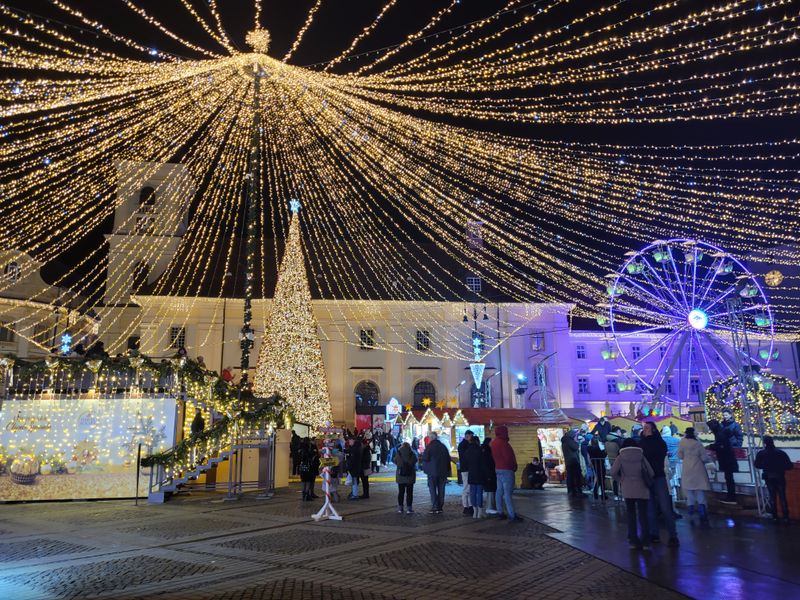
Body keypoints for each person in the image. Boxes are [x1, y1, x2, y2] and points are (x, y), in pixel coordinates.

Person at [639, 421, 679, 547]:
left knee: (659, 506)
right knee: (657, 506)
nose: (644, 430)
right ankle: (661, 534)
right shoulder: (658, 443)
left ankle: (667, 534)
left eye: (646, 428)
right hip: (655, 476)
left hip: (654, 476)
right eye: (644, 428)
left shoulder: (646, 443)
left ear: (653, 430)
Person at [611, 438, 655, 550]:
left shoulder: (620, 456)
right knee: (643, 515)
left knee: (631, 515)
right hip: (642, 487)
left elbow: (613, 472)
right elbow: (651, 472)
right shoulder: (641, 455)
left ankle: (633, 541)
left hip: (628, 487)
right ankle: (646, 542)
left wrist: (620, 479)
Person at [755, 435, 794, 522]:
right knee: (782, 496)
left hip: (768, 476)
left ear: (765, 443)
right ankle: (785, 516)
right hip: (779, 476)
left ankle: (774, 516)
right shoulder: (780, 453)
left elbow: (757, 465)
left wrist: (765, 466)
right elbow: (789, 466)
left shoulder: (761, 453)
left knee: (772, 496)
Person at [678, 427, 711, 524]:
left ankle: (691, 510)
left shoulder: (682, 442)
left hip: (687, 467)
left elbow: (680, 455)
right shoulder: (698, 443)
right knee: (699, 490)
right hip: (698, 467)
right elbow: (704, 457)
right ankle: (702, 511)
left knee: (689, 490)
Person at [491, 426, 522, 522]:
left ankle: (500, 512)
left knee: (499, 491)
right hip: (507, 469)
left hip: (498, 468)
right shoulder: (504, 443)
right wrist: (513, 466)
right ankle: (512, 514)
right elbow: (508, 457)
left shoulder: (494, 443)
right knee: (508, 493)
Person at [707, 418, 739, 503]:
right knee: (729, 478)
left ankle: (731, 497)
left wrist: (711, 446)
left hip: (726, 459)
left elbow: (721, 446)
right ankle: (731, 496)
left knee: (729, 478)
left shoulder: (720, 434)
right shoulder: (722, 432)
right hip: (728, 458)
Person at [421, 431, 450, 514]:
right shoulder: (443, 446)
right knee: (441, 489)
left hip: (432, 472)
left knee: (433, 489)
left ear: (431, 438)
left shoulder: (429, 447)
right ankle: (440, 506)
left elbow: (425, 458)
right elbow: (448, 458)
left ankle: (435, 506)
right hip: (443, 472)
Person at [462, 436, 488, 518]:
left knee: (472, 493)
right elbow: (484, 463)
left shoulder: (467, 451)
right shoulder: (480, 450)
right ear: (477, 441)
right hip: (480, 474)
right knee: (479, 493)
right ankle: (480, 512)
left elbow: (466, 463)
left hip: (471, 474)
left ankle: (475, 512)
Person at [393, 441, 417, 513]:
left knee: (401, 492)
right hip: (410, 476)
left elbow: (395, 461)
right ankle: (409, 508)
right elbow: (415, 461)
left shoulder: (398, 453)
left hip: (401, 476)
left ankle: (400, 508)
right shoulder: (412, 453)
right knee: (409, 493)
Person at [561, 428, 584, 497]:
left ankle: (571, 490)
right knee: (576, 476)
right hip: (573, 461)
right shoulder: (569, 441)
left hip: (568, 461)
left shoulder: (565, 441)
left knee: (570, 476)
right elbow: (575, 447)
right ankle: (577, 491)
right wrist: (578, 442)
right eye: (575, 436)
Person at [458, 430, 475, 515]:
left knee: (467, 487)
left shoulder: (463, 444)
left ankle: (468, 505)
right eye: (471, 436)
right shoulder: (464, 445)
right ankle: (466, 506)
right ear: (467, 435)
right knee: (466, 488)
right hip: (466, 469)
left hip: (465, 469)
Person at [481, 437, 498, 513]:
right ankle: (490, 507)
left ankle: (491, 506)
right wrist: (489, 475)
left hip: (487, 473)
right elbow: (488, 464)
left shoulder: (484, 450)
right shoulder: (487, 451)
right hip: (489, 473)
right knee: (490, 490)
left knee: (490, 490)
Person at [605, 429, 623, 499]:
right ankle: (622, 494)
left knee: (615, 479)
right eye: (619, 432)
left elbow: (605, 452)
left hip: (612, 462)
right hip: (619, 461)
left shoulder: (606, 442)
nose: (620, 433)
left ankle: (616, 495)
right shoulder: (618, 442)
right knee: (621, 478)